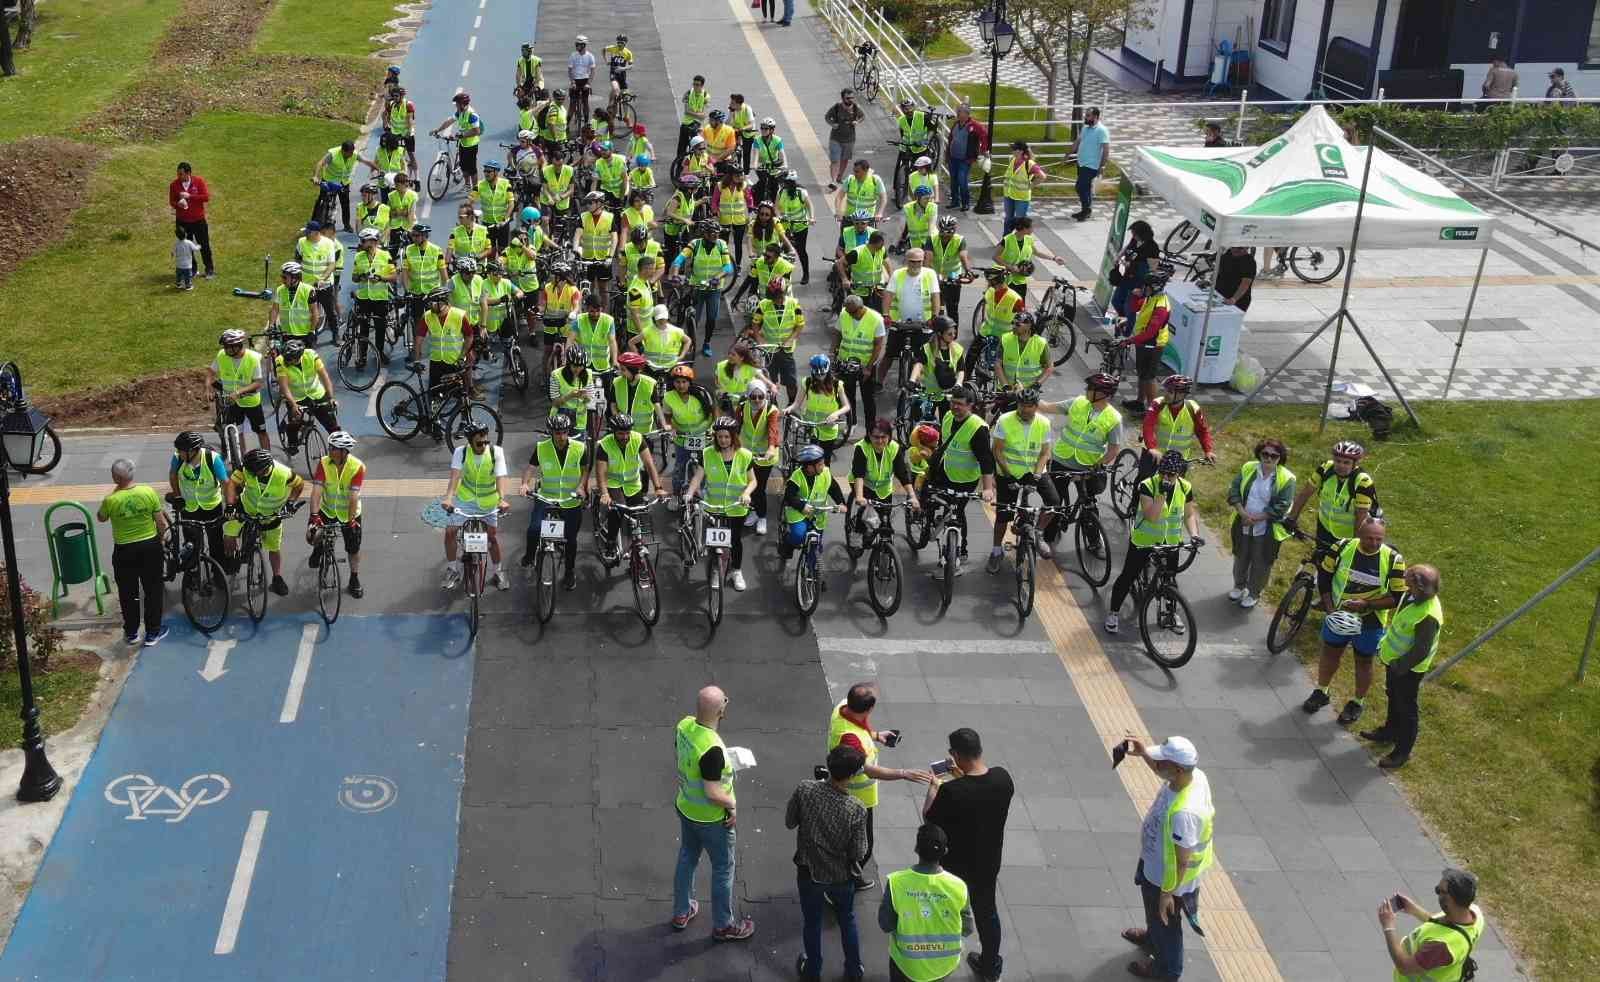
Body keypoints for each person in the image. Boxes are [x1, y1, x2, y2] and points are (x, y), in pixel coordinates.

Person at [922, 728, 1013, 982]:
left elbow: (929, 818)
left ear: (955, 754)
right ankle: (990, 966)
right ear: (979, 749)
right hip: (988, 861)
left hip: (956, 865)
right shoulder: (1003, 779)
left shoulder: (951, 792)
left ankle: (937, 959)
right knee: (987, 912)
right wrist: (960, 775)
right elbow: (979, 790)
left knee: (945, 910)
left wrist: (935, 785)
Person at [1119, 736, 1214, 981]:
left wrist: (1168, 894)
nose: (1157, 765)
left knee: (1167, 926)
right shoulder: (1194, 777)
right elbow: (1165, 772)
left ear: (1178, 769)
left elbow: (1182, 860)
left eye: (1162, 762)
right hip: (1154, 864)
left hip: (1167, 881)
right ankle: (1152, 938)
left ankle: (1167, 971)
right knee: (1155, 917)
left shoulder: (1185, 813)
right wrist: (1145, 756)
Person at [672, 685, 756, 941]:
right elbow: (712, 792)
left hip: (686, 807)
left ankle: (682, 911)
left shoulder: (684, 726)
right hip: (710, 819)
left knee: (687, 857)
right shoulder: (713, 749)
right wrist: (731, 804)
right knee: (722, 868)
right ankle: (723, 925)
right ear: (721, 711)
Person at [828, 682, 934, 888]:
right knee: (863, 846)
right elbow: (867, 768)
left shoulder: (842, 708)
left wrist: (876, 735)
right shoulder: (851, 740)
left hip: (851, 791)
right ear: (868, 709)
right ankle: (842, 882)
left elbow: (858, 727)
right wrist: (903, 773)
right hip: (857, 796)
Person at [1305, 517, 1406, 726]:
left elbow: (1397, 597)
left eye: (1379, 539)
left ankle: (1357, 702)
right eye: (1369, 538)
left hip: (1370, 622)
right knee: (1330, 653)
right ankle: (1321, 691)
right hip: (1338, 616)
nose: (1375, 543)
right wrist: (1330, 608)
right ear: (1359, 534)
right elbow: (1324, 576)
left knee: (1364, 661)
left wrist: (1367, 605)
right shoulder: (1341, 547)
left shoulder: (1394, 560)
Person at [788, 744, 870, 982]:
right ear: (853, 775)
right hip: (841, 875)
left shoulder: (805, 789)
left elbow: (789, 821)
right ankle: (854, 969)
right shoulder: (856, 809)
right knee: (847, 919)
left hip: (809, 871)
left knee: (812, 923)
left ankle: (812, 970)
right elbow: (859, 851)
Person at [1106, 450, 1202, 635]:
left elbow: (1189, 514)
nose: (1165, 477)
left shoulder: (1185, 487)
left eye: (1171, 474)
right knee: (1127, 576)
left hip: (1171, 543)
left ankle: (1171, 614)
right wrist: (1162, 495)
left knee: (1170, 580)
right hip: (1145, 541)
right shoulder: (1147, 485)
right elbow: (1151, 516)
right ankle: (1113, 613)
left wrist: (1194, 534)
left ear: (1179, 474)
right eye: (1162, 472)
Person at [1362, 563, 1443, 769]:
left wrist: (1400, 666)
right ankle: (1389, 732)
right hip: (1395, 661)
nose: (1404, 580)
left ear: (1418, 586)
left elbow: (1421, 650)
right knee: (1393, 696)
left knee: (1407, 709)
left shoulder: (1428, 615)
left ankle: (1402, 752)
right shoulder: (1413, 596)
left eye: (1408, 579)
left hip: (1408, 669)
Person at [878, 824, 974, 982]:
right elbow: (967, 928)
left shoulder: (897, 883)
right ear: (945, 851)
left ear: (916, 849)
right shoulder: (959, 886)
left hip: (906, 963)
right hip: (943, 964)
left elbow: (886, 924)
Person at [1039, 373, 1122, 553]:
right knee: (1054, 501)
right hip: (1061, 459)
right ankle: (1048, 536)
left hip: (1087, 467)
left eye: (1091, 388)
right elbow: (1047, 407)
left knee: (1088, 505)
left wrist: (1098, 465)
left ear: (1103, 394)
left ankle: (1093, 541)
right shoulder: (1077, 402)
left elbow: (1114, 449)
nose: (1086, 390)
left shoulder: (1114, 418)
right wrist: (1025, 395)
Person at [98, 460, 171, 647]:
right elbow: (161, 523)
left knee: (127, 591)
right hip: (150, 546)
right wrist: (161, 540)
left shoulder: (111, 500)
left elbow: (101, 517)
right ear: (133, 474)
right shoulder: (148, 492)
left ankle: (131, 632)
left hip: (124, 550)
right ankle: (153, 632)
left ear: (115, 478)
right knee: (153, 589)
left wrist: (115, 493)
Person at [926, 385, 997, 573]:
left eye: (960, 404)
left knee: (957, 511)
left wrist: (988, 488)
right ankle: (927, 522)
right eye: (953, 403)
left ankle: (960, 550)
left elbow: (986, 460)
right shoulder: (948, 416)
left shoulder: (978, 428)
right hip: (945, 470)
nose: (955, 407)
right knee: (927, 497)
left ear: (971, 406)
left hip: (965, 479)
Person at [987, 388, 1058, 572]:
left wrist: (1036, 476)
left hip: (1034, 472)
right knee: (1003, 514)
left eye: (1029, 406)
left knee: (1053, 502)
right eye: (1022, 405)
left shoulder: (1044, 423)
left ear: (1036, 406)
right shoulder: (1004, 420)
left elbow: (1045, 453)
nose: (1025, 410)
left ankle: (1039, 532)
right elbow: (997, 451)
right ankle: (996, 552)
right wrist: (1008, 474)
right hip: (1008, 473)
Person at [685, 417, 757, 590]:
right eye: (720, 437)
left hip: (736, 508)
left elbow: (753, 481)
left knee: (735, 540)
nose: (723, 440)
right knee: (714, 543)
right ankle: (716, 570)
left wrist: (747, 493)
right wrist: (689, 492)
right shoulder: (707, 453)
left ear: (733, 436)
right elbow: (698, 477)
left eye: (726, 436)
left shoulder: (745, 455)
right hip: (713, 507)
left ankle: (736, 571)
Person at [225, 448, 306, 598]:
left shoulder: (284, 473)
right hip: (246, 508)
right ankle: (231, 559)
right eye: (251, 471)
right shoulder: (247, 468)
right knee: (228, 535)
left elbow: (300, 485)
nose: (252, 474)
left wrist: (290, 503)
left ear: (266, 467)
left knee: (274, 548)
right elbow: (232, 483)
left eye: (256, 472)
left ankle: (277, 578)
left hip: (272, 515)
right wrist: (230, 505)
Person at [441, 422, 512, 591]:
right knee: (450, 531)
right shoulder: (461, 452)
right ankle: (452, 569)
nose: (483, 446)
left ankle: (498, 571)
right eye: (479, 443)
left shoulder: (496, 452)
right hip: (466, 500)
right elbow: (455, 478)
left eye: (486, 442)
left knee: (492, 538)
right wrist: (449, 498)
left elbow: (500, 478)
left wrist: (502, 499)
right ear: (470, 442)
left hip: (489, 502)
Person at [521, 412, 588, 591]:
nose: (561, 436)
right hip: (546, 497)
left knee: (571, 540)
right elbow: (530, 468)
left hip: (570, 500)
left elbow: (584, 470)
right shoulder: (541, 447)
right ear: (551, 432)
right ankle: (529, 556)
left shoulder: (580, 448)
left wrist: (582, 487)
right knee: (534, 529)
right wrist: (524, 484)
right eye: (557, 433)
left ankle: (569, 571)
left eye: (564, 432)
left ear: (568, 431)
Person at [1226, 438, 1295, 609]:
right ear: (1259, 453)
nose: (1269, 458)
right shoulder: (1248, 468)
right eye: (1265, 454)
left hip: (1266, 528)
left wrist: (1255, 519)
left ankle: (1254, 592)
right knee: (1241, 557)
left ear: (1280, 458)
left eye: (1274, 456)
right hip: (1243, 522)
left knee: (1261, 562)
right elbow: (1234, 490)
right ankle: (1239, 586)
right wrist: (1242, 513)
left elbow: (1282, 505)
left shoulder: (1287, 478)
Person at [1378, 868, 1483, 979]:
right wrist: (1414, 910)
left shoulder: (1441, 946)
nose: (1437, 893)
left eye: (1439, 891)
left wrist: (1388, 926)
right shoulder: (1474, 914)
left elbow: (1404, 967)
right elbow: (1442, 925)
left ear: (1451, 900)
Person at [595, 411, 671, 555]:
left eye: (627, 433)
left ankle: (636, 548)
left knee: (637, 514)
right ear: (613, 432)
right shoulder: (604, 445)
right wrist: (604, 494)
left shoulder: (637, 438)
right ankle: (610, 543)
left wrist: (658, 488)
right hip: (613, 484)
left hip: (633, 484)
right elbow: (600, 473)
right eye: (620, 434)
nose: (625, 437)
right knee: (617, 511)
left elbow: (649, 464)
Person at [306, 431, 366, 598]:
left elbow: (353, 497)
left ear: (344, 451)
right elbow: (316, 491)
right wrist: (314, 515)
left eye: (333, 448)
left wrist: (352, 520)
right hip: (327, 510)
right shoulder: (324, 463)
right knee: (311, 535)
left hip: (349, 513)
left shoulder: (357, 467)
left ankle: (354, 579)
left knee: (353, 548)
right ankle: (318, 549)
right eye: (330, 447)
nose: (329, 450)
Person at [1285, 440, 1377, 549]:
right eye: (1337, 461)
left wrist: (1355, 545)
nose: (1341, 466)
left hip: (1347, 535)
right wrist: (1291, 519)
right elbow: (1305, 494)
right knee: (1321, 562)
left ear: (1355, 464)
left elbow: (1360, 517)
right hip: (1324, 528)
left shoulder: (1362, 482)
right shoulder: (1325, 469)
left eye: (1346, 462)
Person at [168, 431, 235, 577]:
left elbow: (226, 483)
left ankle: (218, 574)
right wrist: (178, 496)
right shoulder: (177, 458)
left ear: (192, 451)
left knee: (215, 542)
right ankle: (192, 574)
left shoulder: (212, 458)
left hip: (212, 506)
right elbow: (173, 475)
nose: (178, 453)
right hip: (189, 507)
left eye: (181, 450)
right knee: (191, 544)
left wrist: (229, 505)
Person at [672, 220, 734, 356]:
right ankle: (690, 342)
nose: (715, 236)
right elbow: (679, 260)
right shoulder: (695, 244)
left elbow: (728, 267)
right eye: (712, 233)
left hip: (714, 288)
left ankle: (707, 343)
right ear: (704, 233)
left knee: (711, 318)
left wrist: (718, 277)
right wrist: (676, 275)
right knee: (695, 318)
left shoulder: (721, 245)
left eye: (717, 233)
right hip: (696, 286)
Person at [778, 444, 847, 567]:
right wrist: (802, 506)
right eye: (820, 464)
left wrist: (841, 503)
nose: (823, 466)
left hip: (818, 514)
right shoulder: (796, 477)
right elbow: (789, 497)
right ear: (810, 467)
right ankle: (788, 543)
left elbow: (834, 488)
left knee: (816, 546)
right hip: (798, 513)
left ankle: (813, 574)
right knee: (798, 535)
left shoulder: (825, 473)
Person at [1139, 375, 1217, 478]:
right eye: (1166, 390)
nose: (1165, 394)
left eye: (1170, 392)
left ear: (1181, 395)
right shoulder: (1158, 404)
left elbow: (1202, 431)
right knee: (1143, 484)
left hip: (1178, 460)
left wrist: (1208, 450)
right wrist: (1152, 448)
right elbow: (1148, 425)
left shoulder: (1193, 409)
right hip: (1154, 453)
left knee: (1176, 489)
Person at [1120, 268, 1175, 412]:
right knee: (1142, 373)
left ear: (1155, 287)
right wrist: (1135, 296)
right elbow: (1134, 308)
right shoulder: (1151, 297)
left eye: (1146, 286)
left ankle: (1152, 410)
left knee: (1149, 377)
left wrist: (1129, 340)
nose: (1143, 288)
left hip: (1153, 344)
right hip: (1143, 342)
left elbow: (1151, 332)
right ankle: (1139, 402)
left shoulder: (1161, 306)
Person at [273, 338, 339, 456]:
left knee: (332, 425)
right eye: (286, 359)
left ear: (298, 356)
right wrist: (293, 404)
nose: (287, 362)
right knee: (295, 420)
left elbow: (325, 378)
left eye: (290, 360)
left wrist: (331, 398)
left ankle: (340, 450)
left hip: (316, 393)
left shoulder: (311, 355)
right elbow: (284, 387)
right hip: (296, 398)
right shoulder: (280, 361)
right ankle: (292, 443)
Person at [208, 329, 270, 452]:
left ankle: (268, 458)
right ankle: (241, 460)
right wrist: (208, 388)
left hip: (251, 402)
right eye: (224, 347)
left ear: (236, 346)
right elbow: (210, 372)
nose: (225, 350)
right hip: (232, 402)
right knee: (238, 432)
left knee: (261, 431)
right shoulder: (222, 355)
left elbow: (258, 382)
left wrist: (238, 392)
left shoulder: (253, 358)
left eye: (227, 347)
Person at [834, 294, 886, 436]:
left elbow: (878, 345)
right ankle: (852, 423)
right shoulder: (845, 314)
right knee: (848, 395)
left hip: (865, 365)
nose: (851, 315)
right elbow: (838, 334)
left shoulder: (876, 319)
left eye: (853, 313)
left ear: (861, 308)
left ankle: (870, 428)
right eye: (849, 312)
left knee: (868, 398)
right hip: (846, 363)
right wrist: (834, 354)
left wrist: (869, 367)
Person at [662, 363, 715, 502]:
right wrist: (670, 428)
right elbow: (667, 417)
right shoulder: (668, 397)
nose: (680, 385)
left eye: (684, 382)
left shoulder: (702, 394)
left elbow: (713, 413)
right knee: (679, 467)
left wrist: (712, 429)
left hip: (702, 435)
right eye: (677, 382)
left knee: (703, 467)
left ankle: (701, 492)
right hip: (682, 437)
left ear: (689, 382)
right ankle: (675, 495)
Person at [750, 279, 805, 404]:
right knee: (770, 380)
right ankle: (773, 405)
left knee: (791, 382)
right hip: (769, 350)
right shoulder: (763, 305)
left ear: (783, 293)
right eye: (773, 297)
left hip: (786, 351)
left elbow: (800, 324)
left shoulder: (794, 304)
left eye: (778, 296)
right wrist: (759, 339)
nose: (775, 299)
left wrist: (791, 340)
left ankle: (791, 403)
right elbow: (755, 323)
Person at [739, 382, 782, 535]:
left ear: (766, 395)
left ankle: (761, 516)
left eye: (761, 396)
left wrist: (771, 448)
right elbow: (736, 426)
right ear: (748, 396)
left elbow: (773, 430)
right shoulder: (743, 407)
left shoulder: (771, 410)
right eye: (753, 396)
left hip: (764, 457)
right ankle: (754, 511)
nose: (757, 400)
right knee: (746, 484)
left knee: (759, 487)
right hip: (746, 453)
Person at [789, 354, 850, 463]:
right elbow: (797, 403)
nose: (820, 377)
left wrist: (835, 414)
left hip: (828, 431)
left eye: (823, 374)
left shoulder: (837, 385)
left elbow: (846, 406)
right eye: (817, 375)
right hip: (812, 428)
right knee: (812, 460)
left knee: (825, 462)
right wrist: (789, 409)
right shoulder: (807, 383)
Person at [415, 289, 476, 396]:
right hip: (436, 362)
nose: (430, 306)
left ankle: (470, 390)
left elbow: (469, 336)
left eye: (432, 303)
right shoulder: (427, 316)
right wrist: (417, 360)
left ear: (442, 302)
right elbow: (419, 339)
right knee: (435, 396)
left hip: (454, 361)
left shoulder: (459, 315)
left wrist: (463, 355)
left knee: (458, 396)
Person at [993, 215, 1062, 298]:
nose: (1033, 229)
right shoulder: (1007, 240)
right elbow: (995, 257)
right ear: (1024, 229)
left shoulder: (1029, 239)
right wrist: (1009, 267)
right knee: (1004, 304)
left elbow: (1037, 253)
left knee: (1019, 306)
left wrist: (1054, 258)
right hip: (1004, 278)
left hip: (1020, 279)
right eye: (1031, 227)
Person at [909, 315, 965, 418]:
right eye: (950, 334)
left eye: (954, 333)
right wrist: (912, 380)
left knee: (947, 423)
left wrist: (958, 384)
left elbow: (961, 370)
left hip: (947, 394)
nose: (953, 336)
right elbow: (919, 365)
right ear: (940, 334)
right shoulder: (927, 349)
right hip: (928, 394)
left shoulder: (957, 349)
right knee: (924, 423)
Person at [169, 162, 215, 278]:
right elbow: (172, 202)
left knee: (204, 245)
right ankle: (192, 269)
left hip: (198, 220)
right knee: (186, 247)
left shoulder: (198, 181)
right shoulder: (174, 185)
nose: (179, 177)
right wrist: (178, 204)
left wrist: (190, 196)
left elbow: (206, 197)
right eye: (178, 174)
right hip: (182, 221)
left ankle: (209, 269)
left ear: (188, 173)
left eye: (181, 174)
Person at [944, 103, 989, 212]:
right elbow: (950, 139)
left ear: (967, 114)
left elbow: (984, 135)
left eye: (962, 112)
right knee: (953, 181)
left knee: (962, 180)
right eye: (959, 112)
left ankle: (965, 203)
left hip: (965, 159)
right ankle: (955, 201)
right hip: (953, 158)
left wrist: (983, 150)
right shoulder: (956, 124)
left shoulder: (974, 125)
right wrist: (947, 155)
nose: (959, 114)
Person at [430, 91, 483, 185]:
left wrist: (461, 135)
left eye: (457, 104)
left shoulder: (472, 115)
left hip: (471, 145)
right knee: (463, 167)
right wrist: (438, 130)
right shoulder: (460, 112)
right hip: (462, 143)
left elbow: (477, 131)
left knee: (472, 169)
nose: (456, 106)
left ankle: (475, 189)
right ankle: (467, 184)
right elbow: (449, 121)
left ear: (463, 103)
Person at [1111, 220, 1159, 320]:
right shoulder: (1135, 240)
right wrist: (1119, 256)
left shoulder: (1152, 247)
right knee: (1116, 301)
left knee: (1129, 306)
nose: (1133, 235)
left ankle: (1128, 328)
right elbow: (1128, 247)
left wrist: (1145, 287)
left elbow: (1153, 268)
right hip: (1127, 277)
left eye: (1134, 233)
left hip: (1138, 281)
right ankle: (1123, 320)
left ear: (1142, 234)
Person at [995, 311, 1051, 394]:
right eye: (1013, 323)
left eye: (1017, 324)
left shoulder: (1041, 343)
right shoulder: (1005, 339)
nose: (1013, 326)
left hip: (1028, 393)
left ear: (1029, 326)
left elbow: (1049, 367)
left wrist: (1037, 384)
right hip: (1006, 391)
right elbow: (997, 364)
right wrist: (1005, 386)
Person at [1070, 107, 1110, 222]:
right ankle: (1085, 210)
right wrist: (1068, 154)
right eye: (1086, 115)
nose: (1085, 117)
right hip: (1081, 163)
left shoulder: (1102, 130)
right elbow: (1078, 141)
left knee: (1080, 187)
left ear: (1095, 117)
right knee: (1086, 188)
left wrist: (1102, 166)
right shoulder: (1086, 128)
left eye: (1088, 115)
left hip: (1091, 165)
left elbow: (1106, 149)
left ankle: (1086, 210)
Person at [310, 139, 358, 232]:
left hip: (343, 183)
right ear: (344, 151)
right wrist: (315, 176)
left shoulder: (354, 154)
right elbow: (320, 163)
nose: (351, 154)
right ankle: (315, 223)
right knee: (321, 201)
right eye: (350, 153)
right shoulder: (332, 154)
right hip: (329, 181)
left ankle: (347, 225)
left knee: (345, 204)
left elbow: (366, 161)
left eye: (352, 152)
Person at [777, 170, 814, 284]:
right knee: (784, 251)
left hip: (800, 226)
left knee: (801, 250)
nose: (783, 185)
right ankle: (784, 274)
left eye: (785, 182)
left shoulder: (801, 192)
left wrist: (811, 217)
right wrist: (779, 217)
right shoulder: (781, 192)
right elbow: (776, 207)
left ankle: (806, 274)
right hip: (785, 227)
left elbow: (809, 206)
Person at [712, 166, 754, 267]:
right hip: (724, 220)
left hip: (740, 220)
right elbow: (714, 202)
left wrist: (750, 211)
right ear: (730, 176)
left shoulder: (744, 185)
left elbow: (749, 200)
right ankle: (724, 264)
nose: (740, 177)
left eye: (741, 174)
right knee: (723, 243)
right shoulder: (719, 186)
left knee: (738, 244)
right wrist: (715, 212)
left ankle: (738, 265)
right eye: (737, 175)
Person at [1000, 141, 1045, 236]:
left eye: (1014, 149)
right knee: (1008, 219)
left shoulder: (1029, 164)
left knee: (1020, 221)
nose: (1012, 151)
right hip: (1009, 195)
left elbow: (1042, 176)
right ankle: (1005, 241)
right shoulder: (1012, 159)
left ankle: (1023, 241)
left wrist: (1031, 186)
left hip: (1021, 198)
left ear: (1020, 151)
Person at [824, 90, 865, 191]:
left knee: (845, 159)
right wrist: (833, 124)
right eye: (848, 98)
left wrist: (857, 121)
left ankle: (839, 177)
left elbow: (862, 117)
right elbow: (827, 117)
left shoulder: (856, 108)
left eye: (852, 98)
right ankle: (833, 181)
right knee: (835, 160)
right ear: (843, 98)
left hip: (849, 139)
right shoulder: (837, 107)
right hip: (835, 139)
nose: (850, 100)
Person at [836, 159, 887, 234]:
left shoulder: (875, 180)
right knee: (844, 242)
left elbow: (884, 198)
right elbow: (839, 197)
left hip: (867, 221)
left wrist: (880, 213)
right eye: (854, 171)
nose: (855, 174)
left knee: (869, 244)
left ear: (865, 171)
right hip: (850, 219)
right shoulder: (850, 179)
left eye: (857, 172)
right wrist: (838, 212)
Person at [750, 118, 787, 201]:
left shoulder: (777, 140)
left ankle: (775, 206)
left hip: (774, 167)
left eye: (766, 128)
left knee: (775, 188)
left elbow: (782, 155)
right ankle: (757, 204)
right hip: (762, 167)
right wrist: (754, 165)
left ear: (771, 130)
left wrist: (784, 165)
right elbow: (755, 155)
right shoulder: (757, 140)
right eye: (761, 128)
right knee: (762, 184)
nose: (763, 130)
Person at [1212, 245, 1256, 311]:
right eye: (1233, 247)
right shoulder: (1226, 255)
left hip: (1237, 301)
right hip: (1219, 296)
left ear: (1247, 247)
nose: (1235, 249)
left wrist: (1233, 299)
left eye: (1240, 248)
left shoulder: (1249, 261)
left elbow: (1246, 283)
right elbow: (1218, 272)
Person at [678, 75, 711, 161]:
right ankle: (679, 168)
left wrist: (693, 113)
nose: (695, 86)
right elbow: (686, 111)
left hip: (697, 125)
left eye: (697, 85)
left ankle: (695, 166)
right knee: (681, 149)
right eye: (694, 84)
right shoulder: (688, 93)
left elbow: (704, 115)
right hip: (685, 123)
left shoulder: (705, 96)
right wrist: (697, 114)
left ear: (702, 85)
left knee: (696, 148)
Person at [566, 35, 597, 123]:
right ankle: (567, 124)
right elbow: (570, 70)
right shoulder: (573, 55)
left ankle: (586, 123)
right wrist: (572, 82)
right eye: (576, 44)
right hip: (575, 80)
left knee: (585, 102)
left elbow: (592, 71)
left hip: (585, 80)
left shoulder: (590, 56)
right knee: (572, 103)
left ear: (583, 45)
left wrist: (588, 84)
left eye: (578, 45)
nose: (576, 46)